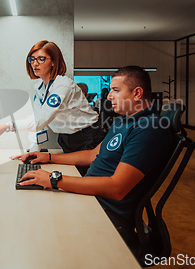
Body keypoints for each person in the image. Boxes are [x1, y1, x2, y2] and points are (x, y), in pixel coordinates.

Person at [12, 66, 173, 248]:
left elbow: (117, 187)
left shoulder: (148, 129)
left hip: (104, 213)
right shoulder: (124, 120)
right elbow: (92, 155)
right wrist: (47, 158)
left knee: (30, 225)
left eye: (116, 90)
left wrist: (54, 179)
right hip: (91, 198)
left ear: (137, 93)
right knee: (27, 207)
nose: (109, 96)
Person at [0, 41, 101, 172]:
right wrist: (33, 155)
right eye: (32, 59)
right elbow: (40, 124)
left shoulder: (63, 86)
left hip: (88, 137)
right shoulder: (39, 87)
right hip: (66, 138)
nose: (34, 63)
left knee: (85, 180)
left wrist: (7, 126)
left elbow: (39, 121)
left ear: (53, 62)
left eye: (41, 59)